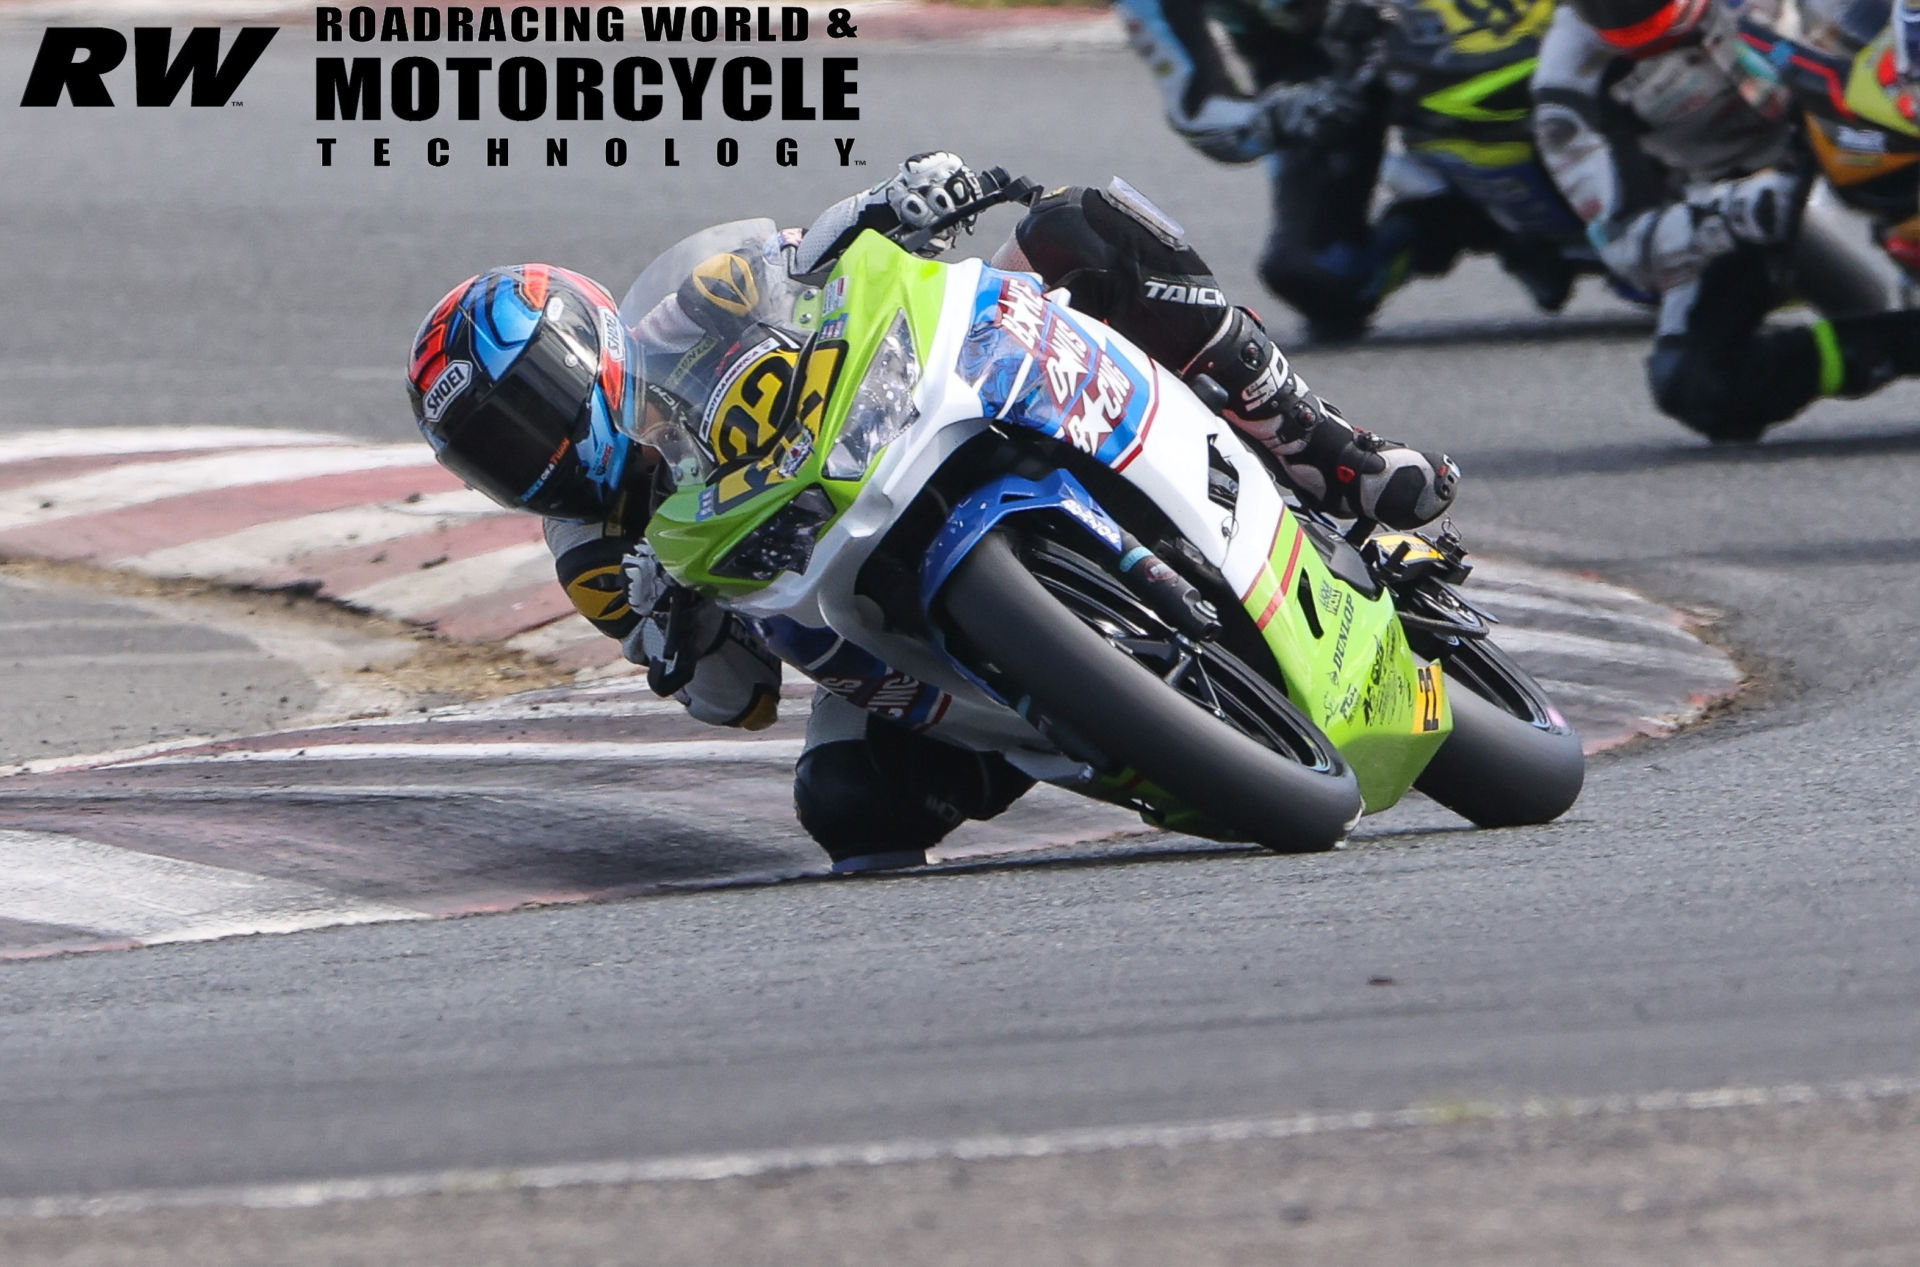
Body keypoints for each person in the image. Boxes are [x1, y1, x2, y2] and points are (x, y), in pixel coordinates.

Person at [406, 155, 1459, 871]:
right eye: (496, 454)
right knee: (847, 809)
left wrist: (896, 202)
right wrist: (676, 637)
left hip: (904, 418)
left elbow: (811, 254)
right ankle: (1107, 733)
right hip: (859, 613)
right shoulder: (593, 552)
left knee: (1075, 228)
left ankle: (1339, 459)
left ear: (587, 350)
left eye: (529, 411)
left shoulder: (688, 310)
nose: (532, 455)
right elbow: (740, 701)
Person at [1531, 0, 1920, 440]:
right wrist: (1731, 213)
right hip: (1734, 194)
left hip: (1855, 108)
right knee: (1697, 384)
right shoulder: (1567, 92)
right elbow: (1625, 243)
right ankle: (1905, 342)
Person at [1113, 0, 1593, 341]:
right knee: (1316, 275)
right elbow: (1201, 116)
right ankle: (1454, 217)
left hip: (1483, 22)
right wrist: (1289, 112)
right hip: (1332, 80)